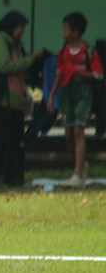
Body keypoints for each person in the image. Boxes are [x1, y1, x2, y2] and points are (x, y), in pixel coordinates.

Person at [0, 10, 44, 187]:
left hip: (16, 103)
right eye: (20, 27)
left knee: (16, 142)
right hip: (2, 101)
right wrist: (32, 58)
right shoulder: (1, 42)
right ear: (11, 26)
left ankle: (12, 177)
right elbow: (5, 66)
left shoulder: (16, 45)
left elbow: (22, 68)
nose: (22, 31)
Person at [45, 11, 103, 188]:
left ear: (76, 32)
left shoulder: (88, 50)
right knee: (68, 134)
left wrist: (78, 73)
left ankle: (77, 173)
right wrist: (52, 95)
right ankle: (81, 164)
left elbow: (98, 74)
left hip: (83, 92)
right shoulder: (63, 50)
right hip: (67, 91)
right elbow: (59, 73)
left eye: (66, 30)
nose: (63, 33)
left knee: (79, 130)